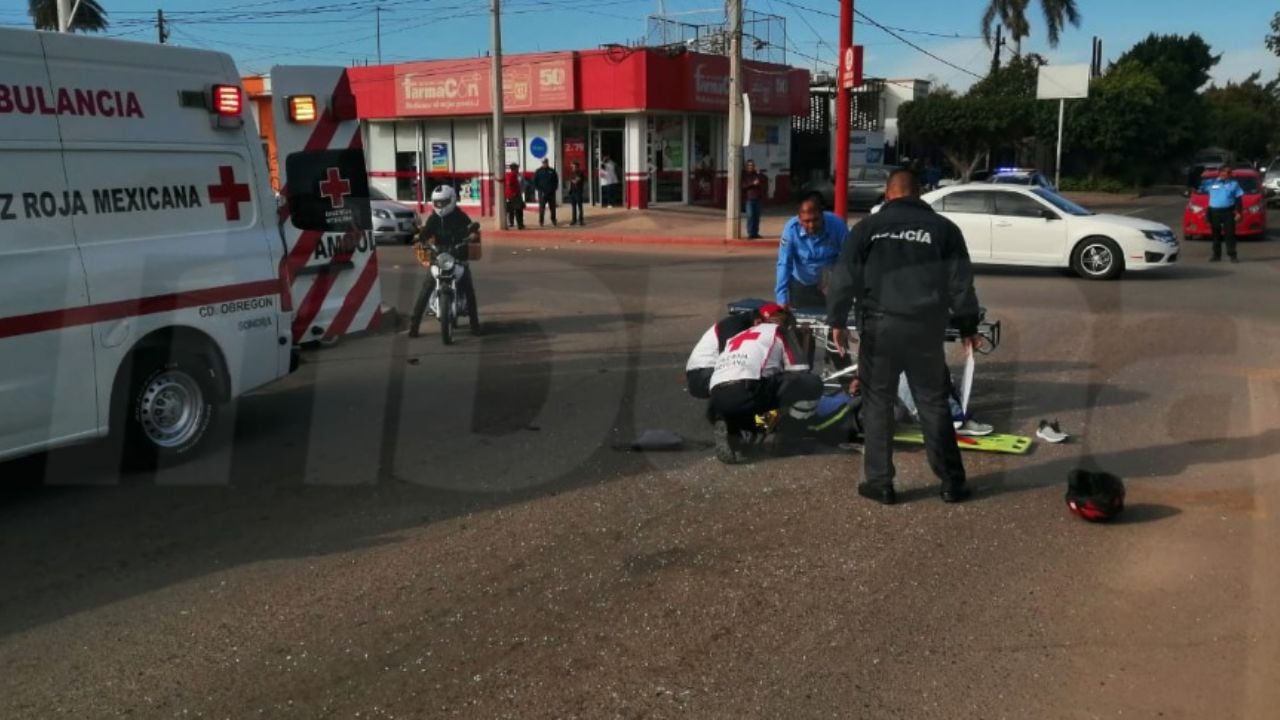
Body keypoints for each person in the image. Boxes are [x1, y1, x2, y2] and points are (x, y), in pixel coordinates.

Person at [826, 169, 981, 505]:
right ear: (919, 192)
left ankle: (880, 483)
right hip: (925, 328)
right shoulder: (944, 229)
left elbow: (844, 276)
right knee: (933, 403)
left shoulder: (867, 228)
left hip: (879, 328)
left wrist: (836, 320)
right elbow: (961, 283)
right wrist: (969, 326)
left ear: (888, 193)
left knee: (877, 403)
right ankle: (952, 483)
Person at [707, 303, 823, 463]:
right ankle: (787, 442)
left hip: (716, 399)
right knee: (811, 384)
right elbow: (800, 371)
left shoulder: (737, 335)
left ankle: (736, 429)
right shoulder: (780, 331)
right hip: (749, 388)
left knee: (766, 394)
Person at [409, 185, 481, 337]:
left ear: (452, 200)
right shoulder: (434, 218)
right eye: (438, 202)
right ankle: (414, 327)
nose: (440, 206)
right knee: (426, 289)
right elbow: (425, 232)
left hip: (458, 254)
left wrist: (473, 233)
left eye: (444, 202)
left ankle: (475, 325)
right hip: (439, 255)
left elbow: (471, 228)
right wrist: (419, 237)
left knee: (468, 289)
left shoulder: (460, 216)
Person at [775, 193, 848, 310]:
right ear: (799, 220)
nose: (811, 225)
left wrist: (838, 280)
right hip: (801, 284)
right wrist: (781, 298)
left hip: (831, 285)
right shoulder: (791, 230)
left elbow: (848, 257)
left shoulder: (837, 225)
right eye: (806, 221)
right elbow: (784, 263)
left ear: (822, 215)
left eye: (815, 220)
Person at [685, 312, 757, 400]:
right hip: (702, 374)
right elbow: (730, 357)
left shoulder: (736, 324)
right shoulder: (732, 326)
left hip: (700, 374)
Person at [1199, 166, 1244, 263]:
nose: (1226, 174)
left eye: (1228, 172)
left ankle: (1232, 255)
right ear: (1219, 173)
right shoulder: (1211, 183)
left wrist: (1238, 212)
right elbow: (1198, 188)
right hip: (1214, 211)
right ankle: (1216, 255)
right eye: (1224, 172)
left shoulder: (1234, 184)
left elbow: (1238, 199)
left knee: (1230, 234)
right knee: (1216, 234)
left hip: (1228, 211)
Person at [742, 160, 768, 239]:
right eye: (749, 165)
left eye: (752, 165)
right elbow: (743, 185)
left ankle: (755, 233)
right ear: (746, 167)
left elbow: (765, 178)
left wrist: (759, 172)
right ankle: (750, 233)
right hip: (749, 198)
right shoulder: (745, 175)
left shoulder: (757, 174)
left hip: (758, 198)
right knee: (750, 216)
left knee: (757, 216)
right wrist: (752, 184)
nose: (751, 167)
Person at [533, 158, 559, 227]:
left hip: (551, 193)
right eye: (544, 162)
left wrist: (553, 189)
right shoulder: (538, 171)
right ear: (542, 163)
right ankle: (541, 221)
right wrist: (540, 190)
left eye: (546, 162)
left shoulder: (552, 171)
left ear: (548, 162)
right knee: (542, 209)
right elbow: (535, 182)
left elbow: (556, 181)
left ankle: (553, 220)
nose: (545, 163)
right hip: (542, 194)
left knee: (552, 208)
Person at [504, 162, 525, 229]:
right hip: (514, 195)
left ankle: (515, 223)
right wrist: (514, 192)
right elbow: (509, 184)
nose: (518, 169)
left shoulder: (512, 175)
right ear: (514, 169)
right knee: (518, 210)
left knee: (513, 209)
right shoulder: (512, 175)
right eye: (517, 168)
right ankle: (519, 224)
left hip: (512, 195)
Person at [567, 160, 586, 226]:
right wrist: (572, 180)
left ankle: (581, 220)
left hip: (578, 192)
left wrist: (572, 180)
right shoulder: (571, 173)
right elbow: (571, 180)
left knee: (580, 206)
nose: (572, 167)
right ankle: (574, 220)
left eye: (573, 166)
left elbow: (576, 181)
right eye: (572, 166)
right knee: (573, 207)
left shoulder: (580, 173)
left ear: (577, 166)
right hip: (572, 191)